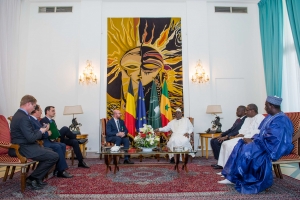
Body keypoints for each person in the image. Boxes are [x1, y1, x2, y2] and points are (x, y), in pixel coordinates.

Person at [219, 96, 294, 194]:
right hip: (264, 142)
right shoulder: (270, 116)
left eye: (266, 105)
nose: (265, 108)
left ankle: (247, 180)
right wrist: (253, 139)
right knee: (240, 144)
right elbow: (261, 133)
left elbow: (274, 139)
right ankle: (232, 177)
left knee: (247, 150)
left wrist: (254, 141)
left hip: (274, 147)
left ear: (271, 106)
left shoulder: (281, 120)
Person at [8, 95, 59, 190]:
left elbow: (29, 134)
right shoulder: (23, 117)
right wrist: (42, 131)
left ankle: (35, 178)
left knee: (51, 152)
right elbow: (31, 138)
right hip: (21, 148)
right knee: (53, 156)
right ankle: (33, 178)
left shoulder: (19, 115)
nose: (34, 108)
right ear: (28, 104)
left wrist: (40, 130)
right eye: (34, 106)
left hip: (25, 145)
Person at [216, 104, 265, 170]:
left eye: (247, 110)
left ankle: (232, 169)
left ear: (252, 111)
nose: (245, 112)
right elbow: (242, 130)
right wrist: (240, 134)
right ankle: (224, 167)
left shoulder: (260, 117)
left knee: (231, 146)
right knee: (225, 143)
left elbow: (257, 132)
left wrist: (244, 135)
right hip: (243, 137)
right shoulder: (247, 119)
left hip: (251, 139)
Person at [30, 105, 72, 178]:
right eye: (40, 110)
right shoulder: (35, 120)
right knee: (58, 146)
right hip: (42, 141)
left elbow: (41, 131)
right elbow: (37, 133)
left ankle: (58, 169)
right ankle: (61, 170)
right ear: (35, 111)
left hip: (46, 139)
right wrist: (47, 133)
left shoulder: (36, 120)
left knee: (62, 145)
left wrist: (49, 133)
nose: (41, 112)